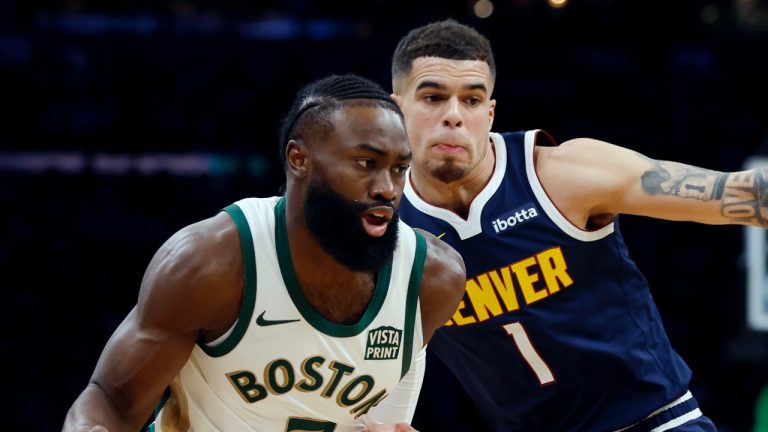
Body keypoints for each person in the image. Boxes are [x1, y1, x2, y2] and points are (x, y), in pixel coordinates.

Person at [390, 19, 762, 431]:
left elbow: (735, 195)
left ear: (490, 111)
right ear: (397, 108)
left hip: (654, 421)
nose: (454, 116)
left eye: (472, 100)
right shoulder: (384, 225)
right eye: (433, 97)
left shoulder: (560, 176)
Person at [62, 74, 466, 432]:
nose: (387, 189)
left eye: (399, 169)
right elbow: (111, 402)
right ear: (299, 160)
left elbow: (386, 421)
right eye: (366, 163)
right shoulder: (211, 262)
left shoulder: (432, 278)